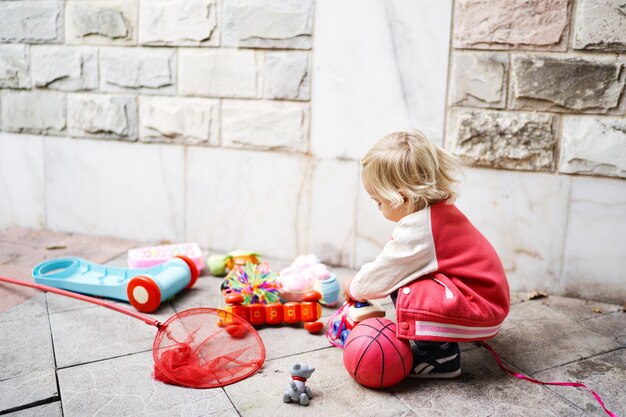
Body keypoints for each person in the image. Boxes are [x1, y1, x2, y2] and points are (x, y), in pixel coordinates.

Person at [343, 131, 510, 379]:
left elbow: (384, 272)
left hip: (481, 307)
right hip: (487, 299)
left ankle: (440, 357)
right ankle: (441, 342)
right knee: (407, 279)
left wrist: (355, 288)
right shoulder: (437, 212)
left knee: (403, 286)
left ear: (403, 197)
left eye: (379, 202)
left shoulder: (419, 228)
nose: (378, 208)